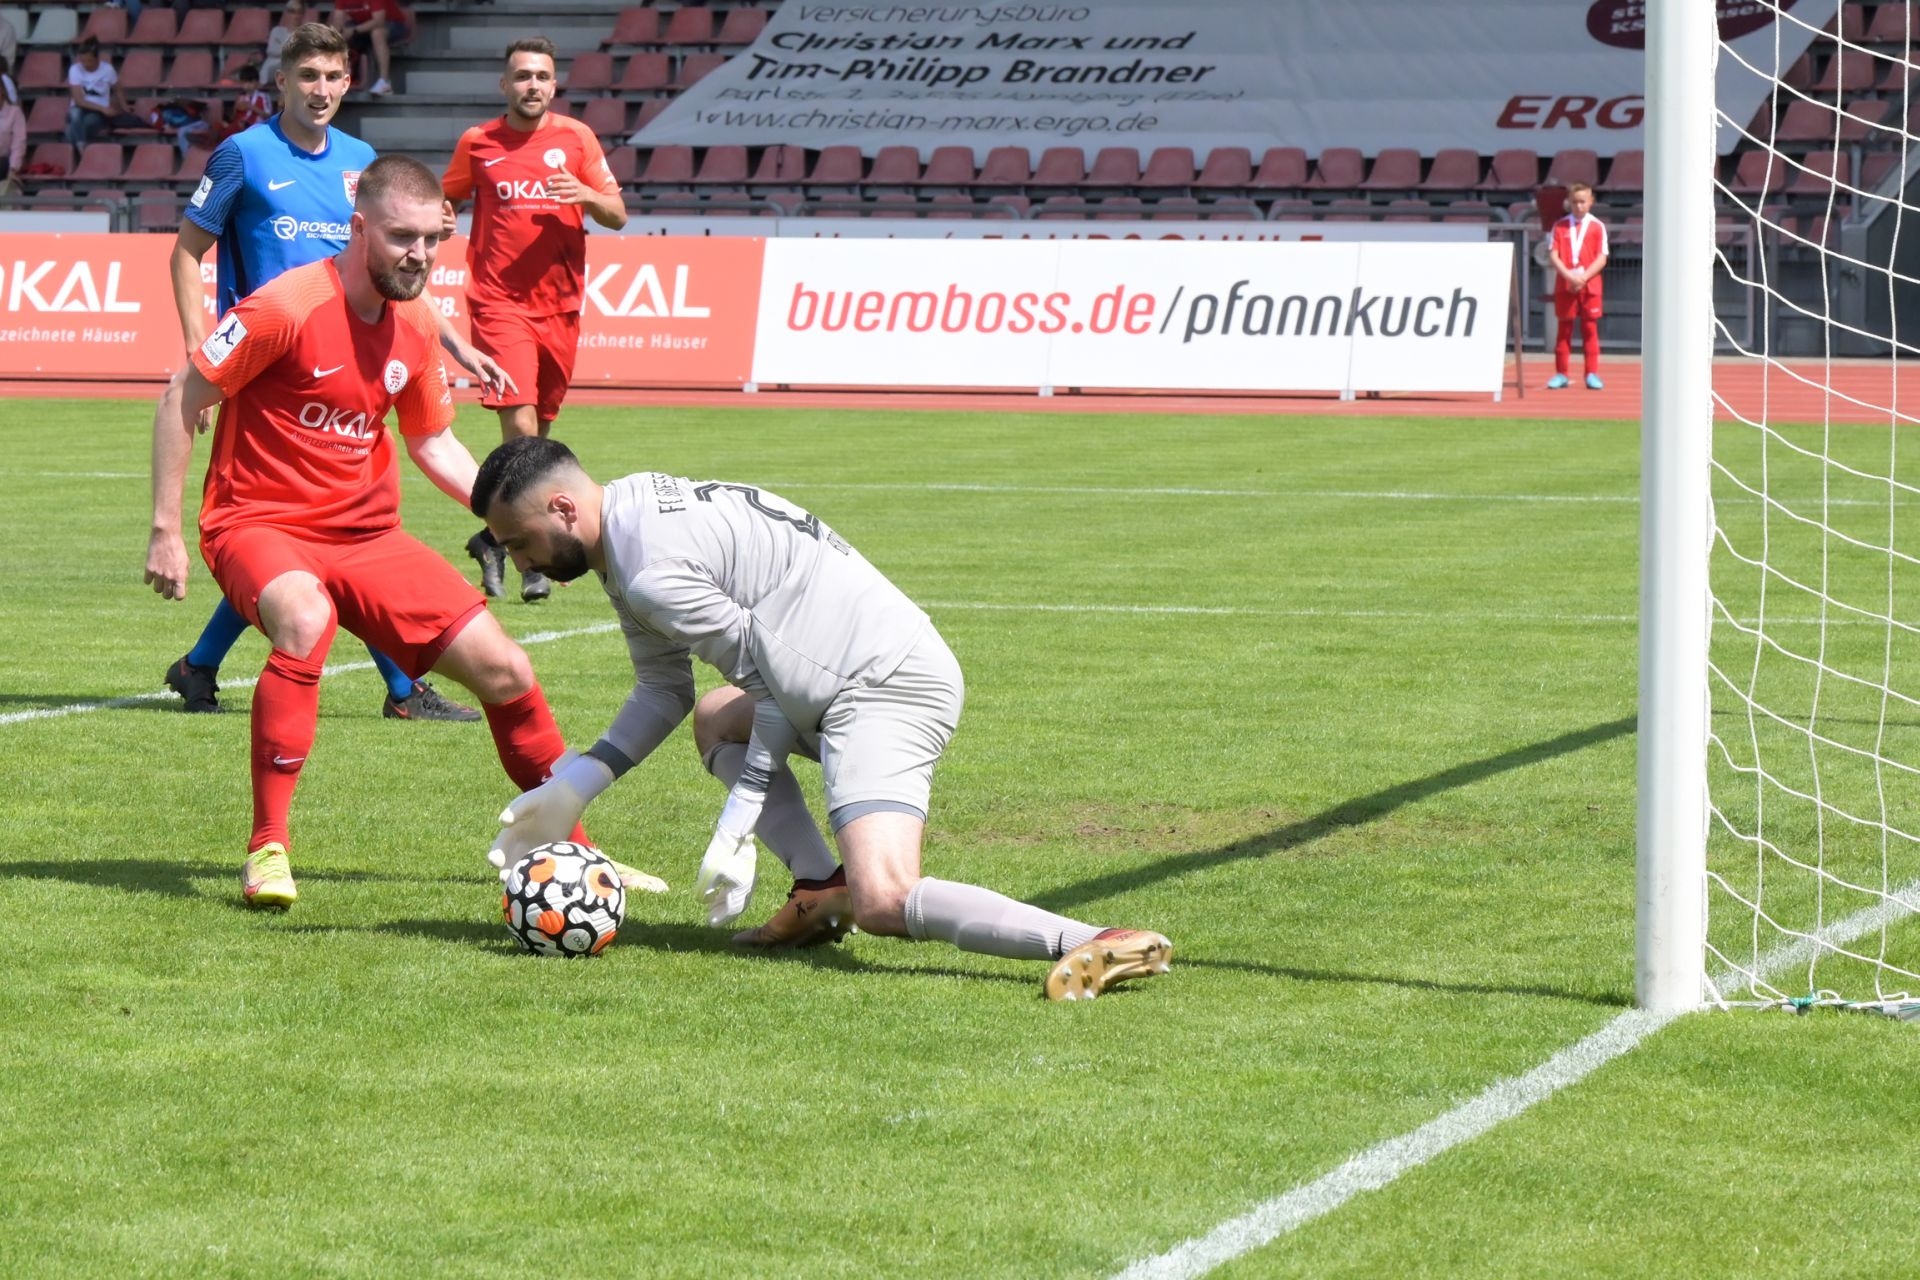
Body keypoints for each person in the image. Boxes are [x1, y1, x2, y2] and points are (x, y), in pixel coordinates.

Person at [473, 439, 1175, 1002]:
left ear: (562, 507)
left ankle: (1099, 938)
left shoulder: (653, 569)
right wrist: (576, 785)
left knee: (886, 898)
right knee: (718, 717)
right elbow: (665, 688)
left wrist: (738, 821)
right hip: (849, 672)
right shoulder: (629, 519)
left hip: (882, 684)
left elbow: (778, 694)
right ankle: (819, 888)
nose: (519, 561)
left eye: (519, 541)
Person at [144, 155, 666, 911]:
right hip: (257, 522)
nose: (419, 255)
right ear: (359, 229)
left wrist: (510, 515)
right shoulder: (284, 307)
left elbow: (432, 443)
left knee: (507, 669)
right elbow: (179, 397)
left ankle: (574, 851)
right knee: (306, 619)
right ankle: (267, 847)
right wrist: (165, 529)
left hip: (367, 538)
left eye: (430, 239)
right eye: (401, 238)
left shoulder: (417, 322)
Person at [161, 22, 497, 721]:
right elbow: (186, 252)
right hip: (267, 369)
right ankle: (403, 689)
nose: (321, 90)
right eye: (308, 76)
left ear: (350, 82)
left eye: (333, 77)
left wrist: (453, 342)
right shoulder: (243, 155)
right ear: (281, 81)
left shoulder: (362, 160)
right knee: (323, 532)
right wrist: (199, 353)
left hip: (355, 363)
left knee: (326, 532)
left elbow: (393, 275)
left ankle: (201, 666)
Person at [442, 37, 627, 604]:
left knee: (541, 431)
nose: (532, 85)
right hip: (499, 303)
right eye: (522, 75)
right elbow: (447, 199)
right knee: (520, 427)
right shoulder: (478, 142)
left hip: (561, 307)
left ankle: (493, 538)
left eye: (542, 76)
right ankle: (531, 558)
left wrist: (585, 194)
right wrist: (440, 220)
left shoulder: (577, 139)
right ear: (505, 84)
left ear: (554, 85)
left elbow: (617, 214)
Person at [1547, 181, 1608, 392]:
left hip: (1590, 285)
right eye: (1575, 202)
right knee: (1564, 330)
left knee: (1590, 329)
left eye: (1583, 201)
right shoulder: (1560, 226)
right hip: (1566, 284)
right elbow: (1553, 255)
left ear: (1591, 202)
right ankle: (1561, 373)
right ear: (1569, 203)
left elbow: (1602, 257)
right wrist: (1569, 276)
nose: (1579, 206)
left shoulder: (1597, 226)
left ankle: (1591, 373)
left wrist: (1583, 277)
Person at [66, 37, 146, 149]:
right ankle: (81, 147)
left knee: (82, 126)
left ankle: (73, 137)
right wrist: (103, 109)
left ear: (97, 59)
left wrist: (124, 106)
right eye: (82, 61)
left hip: (98, 113)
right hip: (82, 108)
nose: (85, 64)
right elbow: (79, 100)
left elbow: (118, 88)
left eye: (89, 61)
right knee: (75, 114)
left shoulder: (107, 70)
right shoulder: (75, 69)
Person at [329, 0, 406, 97]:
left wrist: (354, 30)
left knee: (377, 33)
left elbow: (379, 21)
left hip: (392, 23)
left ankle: (384, 82)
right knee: (338, 35)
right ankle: (340, 79)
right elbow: (338, 20)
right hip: (362, 23)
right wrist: (335, 37)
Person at [260, 0, 309, 85]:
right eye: (292, 12)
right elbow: (271, 50)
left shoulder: (306, 34)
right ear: (287, 14)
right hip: (273, 68)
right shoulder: (277, 31)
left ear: (303, 14)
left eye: (299, 12)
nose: (296, 15)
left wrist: (282, 47)